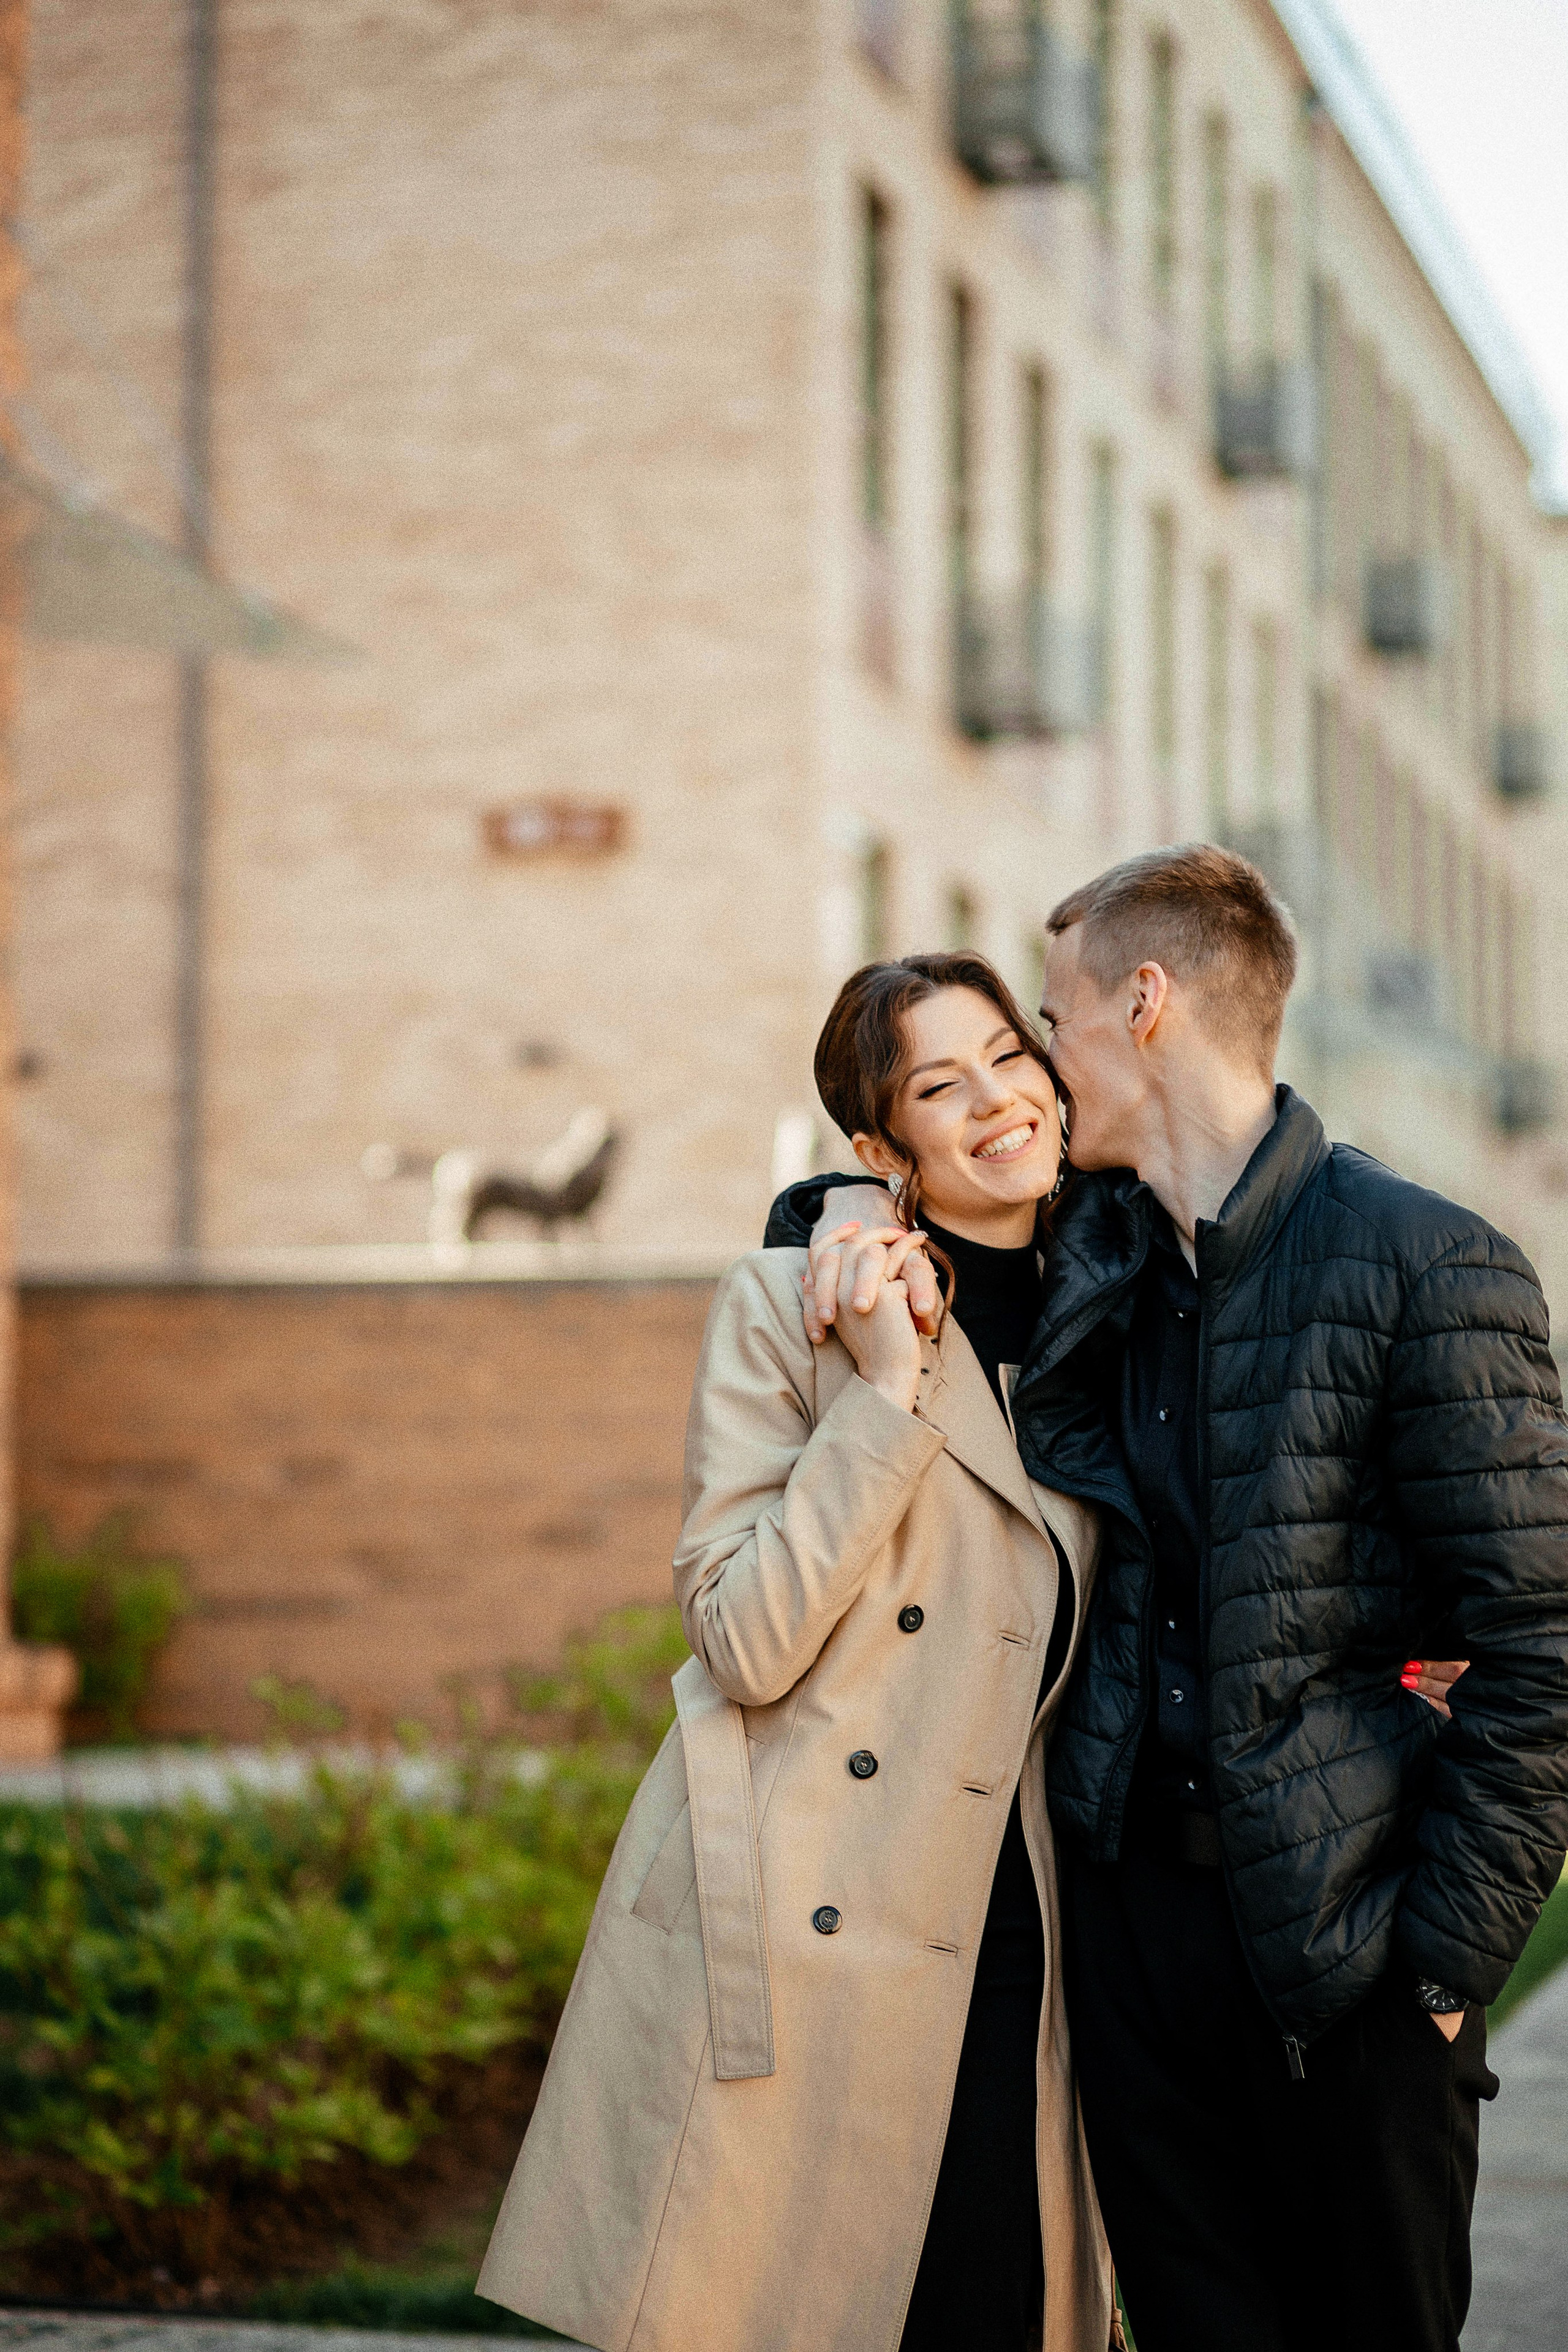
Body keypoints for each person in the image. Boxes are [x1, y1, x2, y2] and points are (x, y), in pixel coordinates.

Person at [775, 843, 1568, 2352]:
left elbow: (1542, 1641)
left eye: (1046, 1028)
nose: (1034, 1074)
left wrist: (1444, 1969)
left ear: (1141, 1005)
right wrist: (826, 1210)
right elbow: (908, 1182)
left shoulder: (1424, 1262)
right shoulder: (1104, 1257)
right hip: (1129, 1953)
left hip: (1348, 1956)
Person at [478, 952, 1119, 2352]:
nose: (999, 1100)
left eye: (1012, 1056)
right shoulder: (793, 1310)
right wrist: (885, 1394)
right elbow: (743, 1640)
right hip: (809, 1906)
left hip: (1021, 1910)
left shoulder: (1117, 1310)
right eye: (941, 1086)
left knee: (990, 2303)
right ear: (879, 1151)